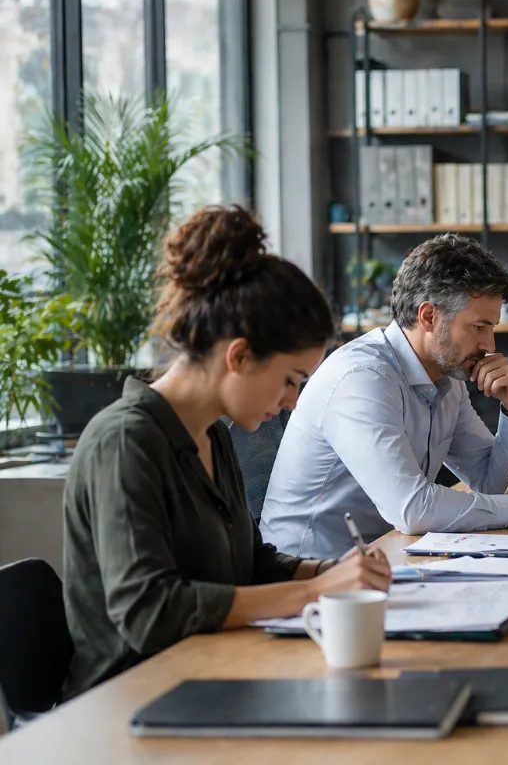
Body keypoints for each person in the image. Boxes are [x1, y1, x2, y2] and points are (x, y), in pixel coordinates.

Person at [61, 206, 392, 699]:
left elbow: (248, 565)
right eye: (289, 380)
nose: (291, 403)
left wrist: (333, 572)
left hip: (214, 673)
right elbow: (150, 613)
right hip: (134, 701)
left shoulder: (213, 436)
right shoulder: (126, 442)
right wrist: (312, 592)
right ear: (238, 356)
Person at [259, 234, 508, 559]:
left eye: (492, 328)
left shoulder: (447, 379)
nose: (490, 346)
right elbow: (412, 509)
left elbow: (495, 488)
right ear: (429, 316)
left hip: (390, 559)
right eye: (478, 327)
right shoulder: (363, 378)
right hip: (315, 580)